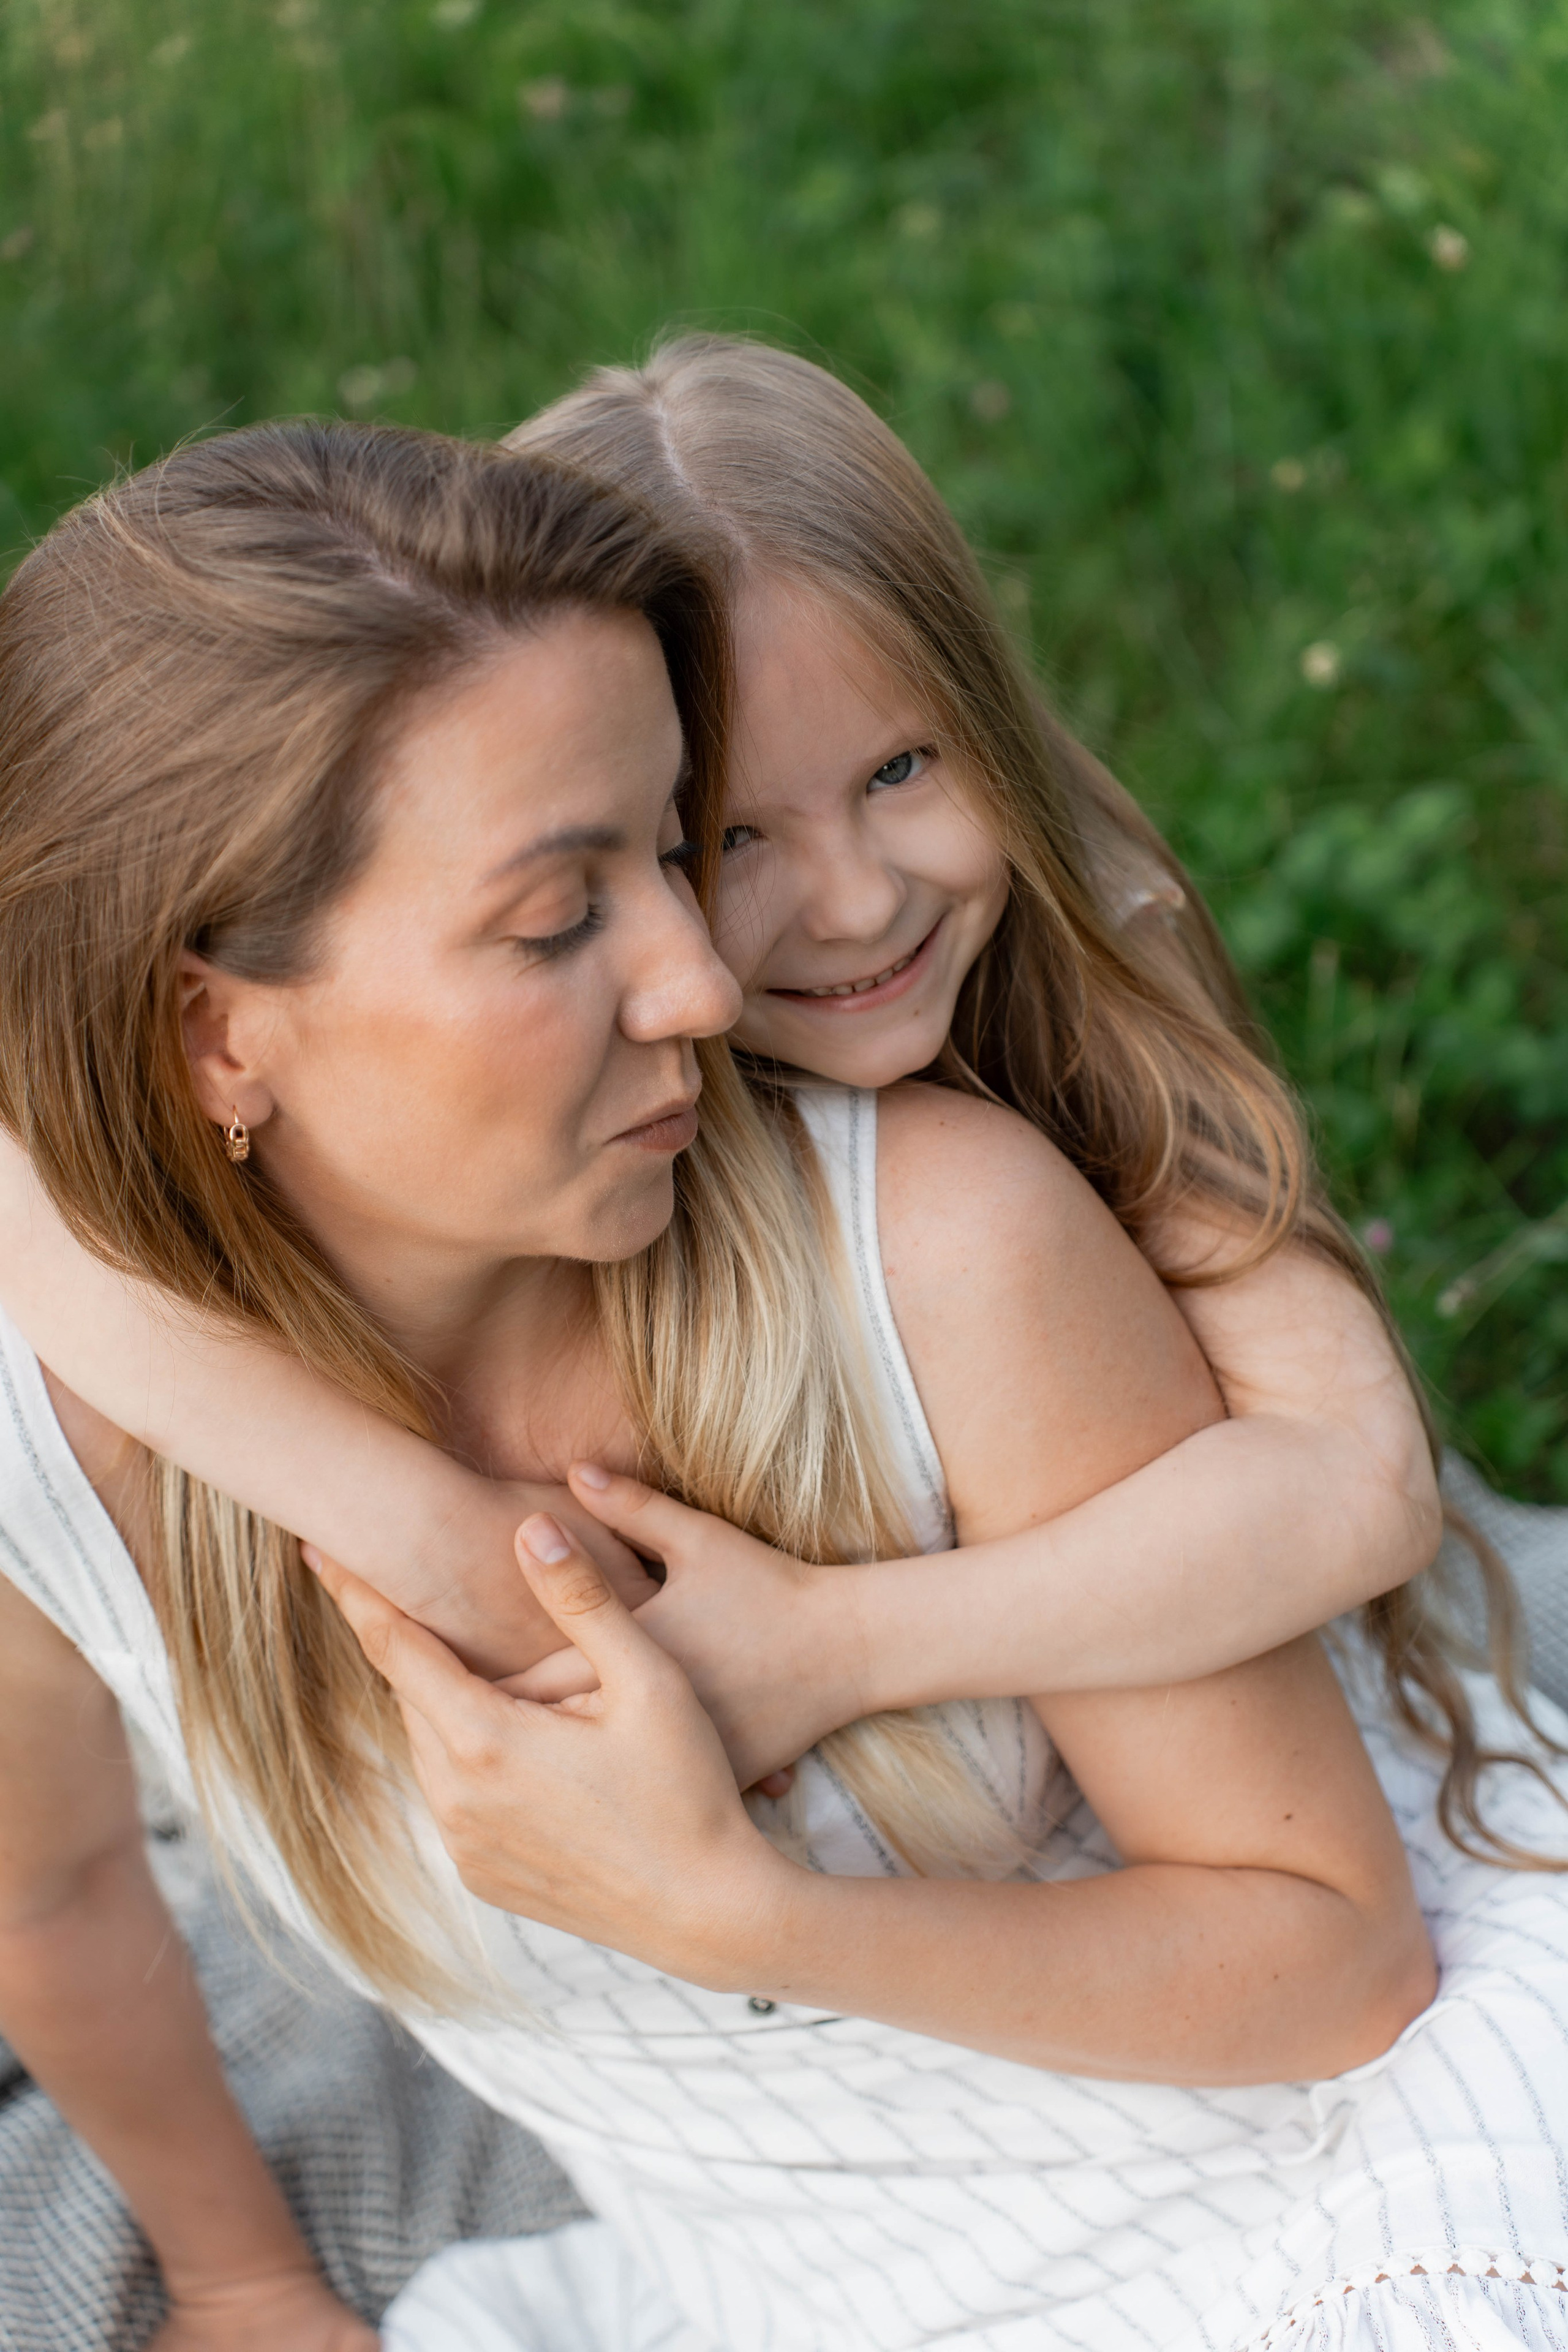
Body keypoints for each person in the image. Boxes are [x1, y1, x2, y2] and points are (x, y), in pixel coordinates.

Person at [0, 411, 1564, 2352]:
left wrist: (748, 1889)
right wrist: (241, 2279)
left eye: (672, 845)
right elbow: (52, 1887)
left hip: (1291, 2179)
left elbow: (1340, 1841)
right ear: (210, 1033)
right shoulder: (60, 1400)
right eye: (569, 910)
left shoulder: (965, 1216)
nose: (710, 983)